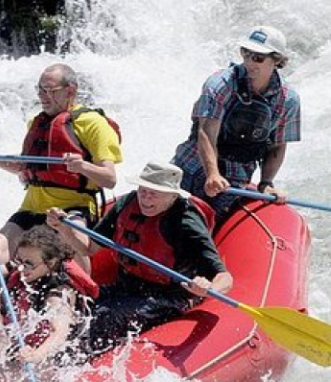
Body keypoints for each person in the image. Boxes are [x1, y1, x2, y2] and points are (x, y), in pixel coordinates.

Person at [49, 161, 234, 355]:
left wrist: (207, 289)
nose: (145, 198)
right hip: (127, 286)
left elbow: (225, 277)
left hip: (169, 296)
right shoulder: (127, 204)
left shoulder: (187, 222)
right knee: (75, 298)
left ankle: (78, 363)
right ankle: (53, 348)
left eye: (154, 192)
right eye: (143, 190)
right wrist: (63, 228)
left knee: (109, 316)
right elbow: (88, 248)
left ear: (173, 195)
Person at [0, 62, 123, 252]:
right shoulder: (36, 123)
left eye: (49, 90)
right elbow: (23, 165)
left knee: (79, 247)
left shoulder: (93, 124)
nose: (42, 97)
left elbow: (109, 179)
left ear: (70, 91)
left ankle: (79, 280)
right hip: (31, 209)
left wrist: (81, 166)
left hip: (72, 209)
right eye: (40, 90)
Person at [171, 25, 301, 220]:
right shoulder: (220, 83)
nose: (249, 61)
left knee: (200, 227)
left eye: (258, 57)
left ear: (277, 60)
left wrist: (266, 182)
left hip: (235, 176)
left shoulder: (288, 100)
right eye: (245, 53)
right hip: (192, 164)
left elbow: (277, 146)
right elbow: (206, 133)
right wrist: (212, 174)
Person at [0, 227, 98, 382]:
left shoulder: (58, 293)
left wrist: (36, 355)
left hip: (55, 360)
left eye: (29, 263)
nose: (21, 267)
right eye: (19, 260)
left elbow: (60, 332)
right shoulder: (23, 269)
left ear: (50, 262)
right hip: (25, 348)